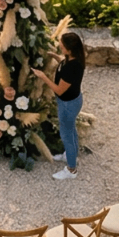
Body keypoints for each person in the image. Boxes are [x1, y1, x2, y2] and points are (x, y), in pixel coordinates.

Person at [30, 26, 86, 181]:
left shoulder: (71, 68)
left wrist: (43, 77)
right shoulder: (75, 59)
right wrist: (54, 55)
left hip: (68, 105)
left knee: (66, 135)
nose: (60, 46)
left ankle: (71, 170)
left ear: (69, 49)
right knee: (71, 130)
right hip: (73, 101)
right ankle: (70, 155)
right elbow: (63, 62)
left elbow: (59, 90)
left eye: (62, 46)